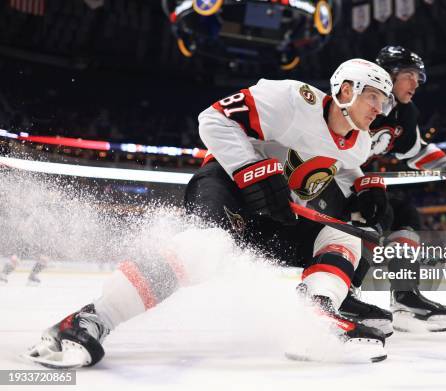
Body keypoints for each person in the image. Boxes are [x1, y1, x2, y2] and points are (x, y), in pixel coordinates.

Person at [26, 59, 396, 367]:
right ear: (346, 90)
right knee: (205, 247)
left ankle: (316, 318)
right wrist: (251, 170)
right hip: (230, 186)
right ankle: (89, 320)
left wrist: (364, 185)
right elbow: (213, 118)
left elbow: (344, 166)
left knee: (345, 233)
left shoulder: (360, 142)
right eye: (374, 97)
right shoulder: (290, 99)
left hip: (277, 211)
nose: (379, 109)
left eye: (384, 102)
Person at [331, 46, 446, 333]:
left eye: (418, 77)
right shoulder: (358, 99)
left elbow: (415, 152)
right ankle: (342, 294)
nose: (416, 83)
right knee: (377, 214)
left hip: (358, 180)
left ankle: (404, 296)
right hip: (328, 178)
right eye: (408, 75)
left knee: (405, 215)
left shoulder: (405, 113)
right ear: (388, 75)